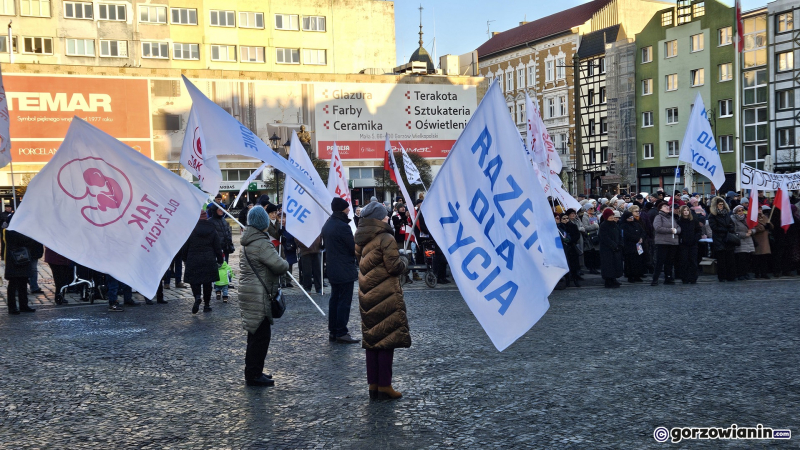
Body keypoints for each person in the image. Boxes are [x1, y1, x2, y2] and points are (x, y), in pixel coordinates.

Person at [354, 200, 410, 400]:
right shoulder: (385, 237)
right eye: (384, 215)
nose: (388, 217)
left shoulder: (362, 238)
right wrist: (405, 259)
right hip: (385, 294)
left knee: (372, 340)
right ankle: (385, 385)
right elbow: (394, 267)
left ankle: (373, 385)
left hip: (368, 294)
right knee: (386, 339)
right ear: (378, 219)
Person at [239, 206, 289, 387]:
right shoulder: (261, 243)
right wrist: (285, 262)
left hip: (250, 292)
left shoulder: (249, 240)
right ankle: (253, 375)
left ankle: (255, 371)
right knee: (260, 337)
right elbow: (280, 266)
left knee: (255, 336)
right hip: (258, 294)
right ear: (263, 223)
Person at [321, 197, 360, 344]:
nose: (349, 209)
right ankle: (342, 332)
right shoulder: (342, 226)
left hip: (332, 268)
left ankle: (334, 330)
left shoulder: (328, 224)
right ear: (342, 209)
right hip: (344, 269)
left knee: (335, 300)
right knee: (344, 302)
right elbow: (352, 248)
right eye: (347, 208)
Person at [182, 209, 223, 314]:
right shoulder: (212, 228)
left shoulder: (190, 229)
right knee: (207, 283)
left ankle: (197, 296)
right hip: (208, 259)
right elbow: (217, 247)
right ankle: (207, 305)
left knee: (194, 281)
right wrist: (220, 259)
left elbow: (185, 247)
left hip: (193, 258)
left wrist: (185, 259)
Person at [4, 221, 39, 314]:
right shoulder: (10, 230)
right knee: (13, 284)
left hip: (23, 258)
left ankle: (23, 305)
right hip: (15, 259)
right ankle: (12, 307)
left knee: (23, 283)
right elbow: (22, 240)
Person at [651, 201, 680, 286]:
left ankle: (668, 277)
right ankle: (655, 279)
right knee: (660, 261)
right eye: (664, 206)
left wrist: (677, 231)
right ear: (660, 208)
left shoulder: (671, 217)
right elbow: (658, 228)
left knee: (669, 262)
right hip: (662, 242)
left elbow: (677, 227)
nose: (667, 207)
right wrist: (670, 230)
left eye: (668, 206)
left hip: (672, 243)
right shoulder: (658, 217)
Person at [708, 196, 737, 282]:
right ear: (716, 205)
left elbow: (732, 224)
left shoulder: (726, 214)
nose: (721, 206)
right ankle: (722, 276)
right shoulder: (712, 215)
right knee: (721, 260)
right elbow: (714, 227)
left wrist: (729, 229)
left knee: (730, 259)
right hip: (719, 239)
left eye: (722, 204)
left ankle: (731, 276)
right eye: (720, 205)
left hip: (728, 239)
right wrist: (726, 229)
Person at [676, 205, 701, 284]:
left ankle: (693, 277)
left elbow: (698, 231)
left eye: (687, 210)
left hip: (693, 244)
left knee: (693, 261)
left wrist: (695, 239)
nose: (686, 211)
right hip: (683, 244)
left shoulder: (694, 220)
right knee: (684, 261)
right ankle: (685, 277)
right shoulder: (679, 221)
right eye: (684, 210)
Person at [599, 209, 623, 288]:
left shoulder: (615, 224)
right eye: (610, 216)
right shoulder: (604, 225)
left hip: (615, 248)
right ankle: (608, 281)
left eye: (612, 215)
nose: (612, 217)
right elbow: (604, 237)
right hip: (607, 249)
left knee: (615, 264)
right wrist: (613, 245)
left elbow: (619, 235)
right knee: (608, 265)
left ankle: (614, 279)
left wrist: (619, 244)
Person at [619, 211, 646, 283]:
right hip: (629, 246)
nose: (631, 219)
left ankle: (638, 275)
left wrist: (641, 238)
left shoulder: (637, 224)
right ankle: (630, 276)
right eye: (630, 218)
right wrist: (637, 239)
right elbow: (626, 235)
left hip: (638, 246)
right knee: (630, 262)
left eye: (632, 217)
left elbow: (643, 232)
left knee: (638, 261)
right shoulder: (623, 226)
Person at [557, 213, 582, 287]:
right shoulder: (560, 227)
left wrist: (570, 240)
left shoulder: (573, 226)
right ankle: (567, 280)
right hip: (564, 249)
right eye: (563, 219)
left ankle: (575, 279)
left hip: (572, 247)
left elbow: (577, 235)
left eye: (567, 218)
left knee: (574, 265)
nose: (566, 220)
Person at [732, 205, 755, 281]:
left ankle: (745, 273)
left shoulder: (747, 219)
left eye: (742, 210)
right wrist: (744, 234)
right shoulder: (733, 219)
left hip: (748, 241)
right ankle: (740, 274)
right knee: (741, 259)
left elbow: (754, 227)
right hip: (740, 241)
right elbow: (734, 232)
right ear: (736, 212)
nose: (741, 212)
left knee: (747, 259)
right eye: (739, 210)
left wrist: (751, 231)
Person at [752, 207, 772, 279]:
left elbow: (770, 225)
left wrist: (769, 226)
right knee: (757, 258)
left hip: (765, 240)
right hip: (757, 240)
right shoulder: (753, 218)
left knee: (764, 258)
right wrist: (764, 227)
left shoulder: (764, 217)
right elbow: (754, 228)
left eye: (760, 209)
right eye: (758, 209)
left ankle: (764, 273)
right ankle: (757, 273)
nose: (760, 211)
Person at [581, 205, 601, 274]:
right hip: (589, 237)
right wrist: (595, 226)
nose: (592, 210)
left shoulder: (594, 216)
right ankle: (591, 268)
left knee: (595, 253)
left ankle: (595, 267)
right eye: (590, 208)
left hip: (595, 236)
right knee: (591, 253)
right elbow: (586, 227)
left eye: (593, 208)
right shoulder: (585, 217)